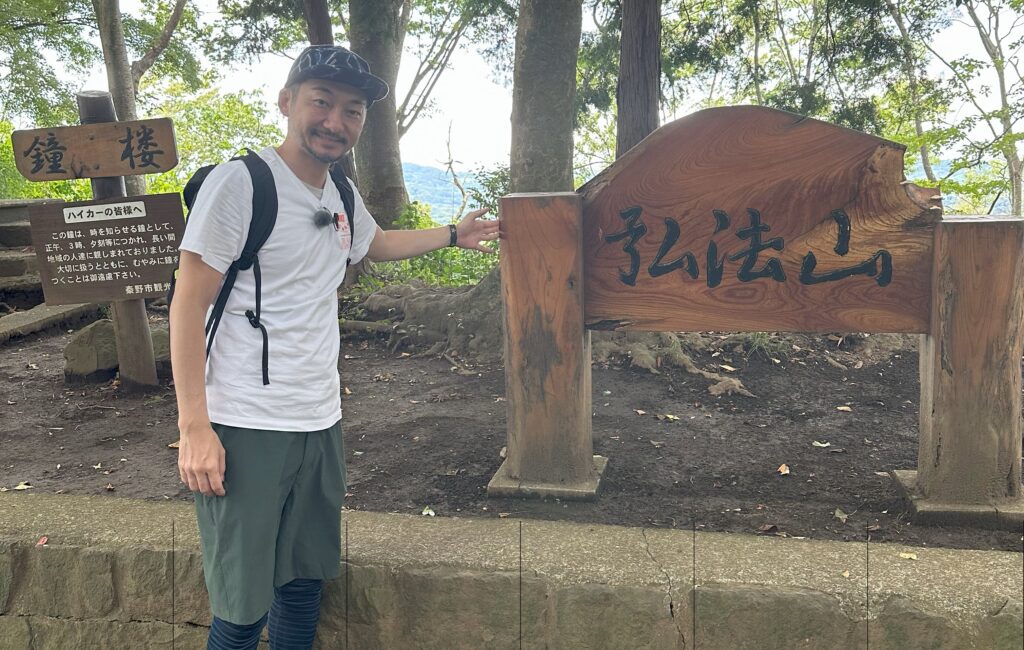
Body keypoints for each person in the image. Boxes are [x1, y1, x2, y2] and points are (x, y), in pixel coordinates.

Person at [169, 44, 498, 650]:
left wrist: (455, 234)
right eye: (322, 101)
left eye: (352, 110)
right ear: (287, 101)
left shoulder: (339, 193)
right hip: (245, 421)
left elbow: (375, 244)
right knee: (242, 608)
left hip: (319, 419)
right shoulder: (241, 184)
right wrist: (195, 427)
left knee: (302, 583)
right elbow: (188, 303)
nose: (336, 121)